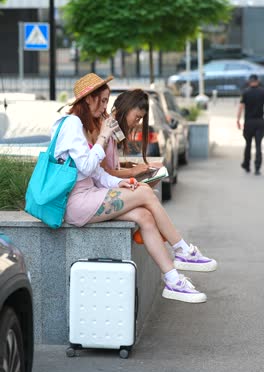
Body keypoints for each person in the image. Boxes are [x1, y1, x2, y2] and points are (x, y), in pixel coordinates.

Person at [51, 73, 217, 304]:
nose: (105, 107)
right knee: (145, 192)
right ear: (88, 99)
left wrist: (119, 182)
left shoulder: (83, 126)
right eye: (102, 100)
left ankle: (173, 280)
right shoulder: (72, 124)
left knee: (144, 216)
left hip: (89, 195)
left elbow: (97, 172)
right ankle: (182, 250)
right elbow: (88, 166)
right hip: (76, 203)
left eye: (108, 100)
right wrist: (103, 138)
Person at [237, 74, 264, 175]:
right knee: (258, 145)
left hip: (249, 122)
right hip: (260, 122)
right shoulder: (262, 92)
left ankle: (247, 165)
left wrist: (238, 120)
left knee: (248, 144)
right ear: (257, 81)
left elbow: (241, 107)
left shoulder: (245, 92)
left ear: (249, 81)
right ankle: (257, 167)